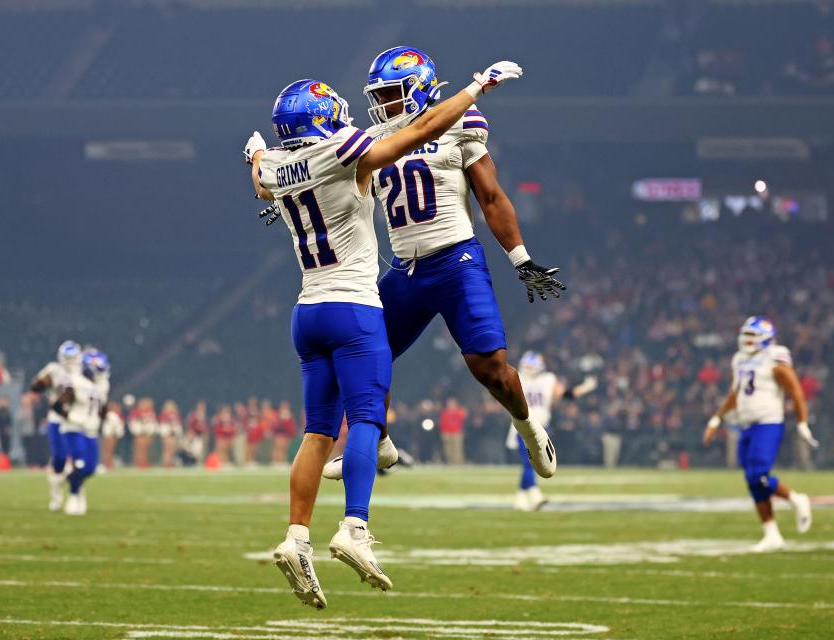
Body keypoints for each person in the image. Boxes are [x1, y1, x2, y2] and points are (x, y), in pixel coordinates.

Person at [245, 58, 525, 608]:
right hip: (353, 306)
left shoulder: (276, 166)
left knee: (317, 432)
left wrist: (255, 152)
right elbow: (418, 132)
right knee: (368, 420)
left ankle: (295, 537)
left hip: (307, 312)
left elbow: (260, 181)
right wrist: (474, 88)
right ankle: (354, 526)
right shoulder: (337, 150)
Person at [319, 47, 562, 483]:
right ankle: (376, 440)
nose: (383, 104)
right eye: (379, 95)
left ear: (420, 89)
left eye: (392, 93)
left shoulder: (460, 123)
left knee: (490, 369)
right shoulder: (372, 140)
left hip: (455, 262)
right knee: (360, 354)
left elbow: (490, 196)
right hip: (403, 269)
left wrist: (520, 258)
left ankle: (528, 428)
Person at [703, 316, 817, 552]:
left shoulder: (775, 359)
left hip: (768, 423)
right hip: (747, 424)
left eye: (752, 336)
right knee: (752, 481)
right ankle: (772, 534)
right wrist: (717, 418)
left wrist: (802, 422)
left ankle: (796, 499)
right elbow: (736, 394)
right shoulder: (739, 360)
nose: (747, 340)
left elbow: (795, 390)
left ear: (766, 338)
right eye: (745, 335)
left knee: (759, 475)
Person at [508, 351, 597, 511]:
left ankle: (521, 496)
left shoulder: (537, 378)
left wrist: (584, 388)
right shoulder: (527, 378)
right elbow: (566, 394)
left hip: (537, 426)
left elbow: (564, 394)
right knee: (530, 462)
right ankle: (535, 494)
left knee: (530, 462)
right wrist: (585, 387)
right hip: (525, 425)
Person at [55, 349, 109, 516]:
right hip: (74, 429)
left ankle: (69, 478)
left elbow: (101, 408)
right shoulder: (74, 381)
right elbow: (58, 405)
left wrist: (105, 419)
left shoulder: (102, 384)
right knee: (79, 463)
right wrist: (72, 417)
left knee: (90, 469)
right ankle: (73, 495)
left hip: (91, 431)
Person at [29, 340, 82, 511]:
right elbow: (35, 387)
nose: (71, 361)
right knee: (59, 457)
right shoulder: (54, 370)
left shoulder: (83, 372)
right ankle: (56, 492)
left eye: (73, 357)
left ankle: (76, 495)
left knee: (78, 459)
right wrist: (42, 383)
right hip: (57, 418)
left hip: (75, 419)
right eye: (68, 357)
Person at [100, 400, 125, 470]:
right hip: (110, 435)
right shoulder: (111, 415)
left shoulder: (113, 415)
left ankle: (109, 463)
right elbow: (113, 426)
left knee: (110, 450)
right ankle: (107, 463)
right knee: (108, 450)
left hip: (111, 435)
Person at [158, 399, 182, 468]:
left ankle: (171, 463)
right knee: (167, 450)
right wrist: (169, 430)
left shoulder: (176, 415)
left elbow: (178, 425)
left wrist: (176, 430)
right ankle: (166, 464)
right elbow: (163, 426)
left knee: (173, 450)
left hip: (174, 435)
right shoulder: (164, 415)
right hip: (167, 435)